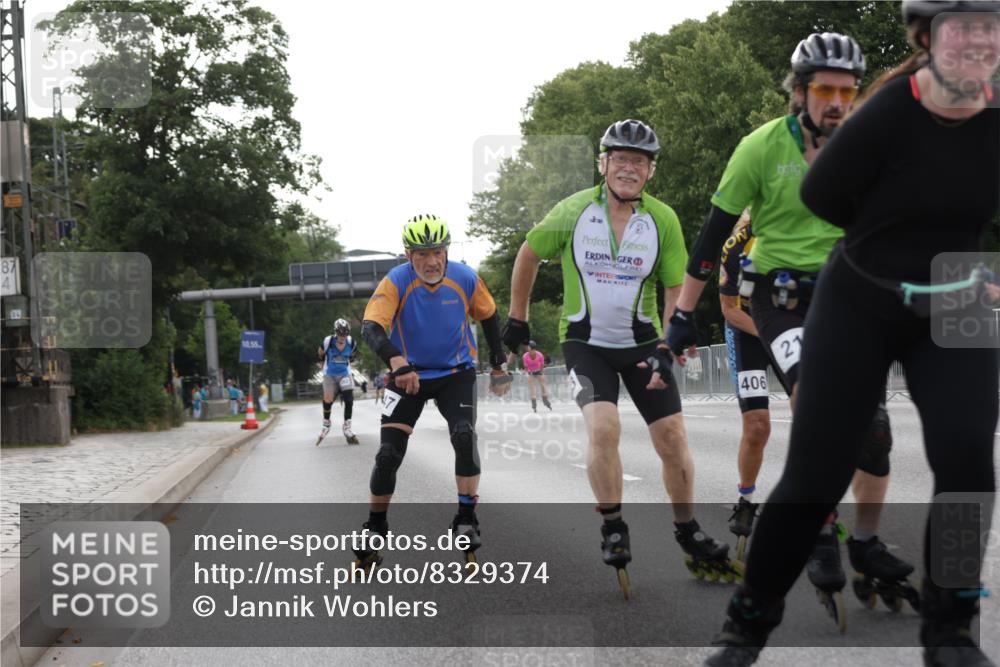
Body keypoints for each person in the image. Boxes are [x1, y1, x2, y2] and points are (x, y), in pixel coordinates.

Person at [707, 3, 1000, 665]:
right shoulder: (890, 110)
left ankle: (950, 628)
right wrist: (893, 241)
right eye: (964, 27)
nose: (980, 41)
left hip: (957, 293)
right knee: (819, 470)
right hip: (861, 294)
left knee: (967, 466)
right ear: (926, 39)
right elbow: (820, 196)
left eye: (992, 27)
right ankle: (747, 622)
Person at [668, 32, 911, 629]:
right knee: (816, 398)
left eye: (847, 92)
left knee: (875, 434)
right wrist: (679, 317)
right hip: (780, 297)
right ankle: (821, 525)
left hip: (850, 293)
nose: (836, 101)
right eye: (824, 90)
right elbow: (710, 237)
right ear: (799, 93)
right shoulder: (759, 148)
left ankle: (867, 543)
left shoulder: (869, 143)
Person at [504, 119, 737, 600]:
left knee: (672, 437)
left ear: (650, 171)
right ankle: (612, 522)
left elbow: (675, 288)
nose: (630, 168)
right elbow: (529, 252)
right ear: (603, 163)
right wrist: (517, 319)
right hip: (585, 345)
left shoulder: (663, 220)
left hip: (643, 343)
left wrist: (670, 340)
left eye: (640, 161)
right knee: (604, 427)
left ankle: (687, 528)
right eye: (621, 159)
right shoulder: (573, 211)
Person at [354, 214, 512, 567]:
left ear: (447, 251)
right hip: (407, 374)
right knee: (388, 454)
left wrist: (499, 365)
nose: (431, 261)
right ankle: (375, 525)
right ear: (408, 255)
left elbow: (488, 315)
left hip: (456, 373)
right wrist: (397, 362)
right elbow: (371, 328)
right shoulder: (395, 281)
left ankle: (467, 517)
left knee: (463, 434)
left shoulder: (465, 277)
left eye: (437, 252)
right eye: (422, 254)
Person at [716, 212, 774, 562]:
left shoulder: (806, 230)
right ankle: (747, 499)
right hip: (747, 329)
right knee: (757, 427)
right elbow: (729, 309)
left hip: (789, 323)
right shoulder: (736, 246)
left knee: (813, 413)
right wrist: (770, 333)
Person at [316, 318, 359, 445]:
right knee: (328, 399)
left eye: (345, 334)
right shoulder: (328, 341)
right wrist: (323, 362)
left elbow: (353, 356)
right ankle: (326, 424)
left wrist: (346, 362)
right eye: (340, 334)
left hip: (345, 373)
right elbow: (320, 353)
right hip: (329, 374)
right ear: (336, 332)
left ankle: (347, 427)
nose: (342, 337)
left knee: (349, 398)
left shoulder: (351, 342)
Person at [522, 341, 552, 412]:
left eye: (528, 347)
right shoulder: (525, 356)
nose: (527, 349)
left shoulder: (539, 355)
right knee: (532, 388)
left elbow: (541, 365)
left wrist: (541, 372)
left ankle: (545, 400)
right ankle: (534, 403)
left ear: (532, 348)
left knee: (543, 385)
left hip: (538, 370)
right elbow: (526, 366)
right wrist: (528, 372)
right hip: (531, 371)